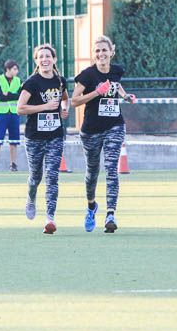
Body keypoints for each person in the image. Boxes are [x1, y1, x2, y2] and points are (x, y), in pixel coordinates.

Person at [71, 35, 137, 233]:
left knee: (111, 169)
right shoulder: (87, 75)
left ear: (111, 52)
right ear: (94, 54)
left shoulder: (116, 71)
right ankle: (91, 206)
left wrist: (125, 96)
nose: (101, 54)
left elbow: (116, 85)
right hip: (91, 130)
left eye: (104, 50)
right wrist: (97, 92)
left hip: (114, 126)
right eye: (97, 50)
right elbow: (74, 101)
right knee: (92, 172)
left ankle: (110, 214)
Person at [16, 44, 69, 234]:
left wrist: (64, 109)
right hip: (34, 137)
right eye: (41, 57)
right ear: (36, 61)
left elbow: (65, 98)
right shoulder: (32, 83)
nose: (45, 59)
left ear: (54, 59)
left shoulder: (60, 81)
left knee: (52, 176)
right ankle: (31, 198)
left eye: (48, 56)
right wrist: (45, 107)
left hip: (55, 135)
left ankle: (50, 218)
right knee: (36, 176)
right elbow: (20, 108)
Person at [0, 60, 22, 172]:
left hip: (14, 113)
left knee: (14, 140)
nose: (16, 71)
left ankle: (13, 164)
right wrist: (12, 95)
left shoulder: (18, 80)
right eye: (14, 69)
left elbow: (20, 96)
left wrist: (8, 94)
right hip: (1, 114)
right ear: (8, 69)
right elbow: (0, 97)